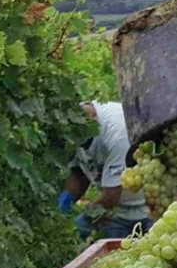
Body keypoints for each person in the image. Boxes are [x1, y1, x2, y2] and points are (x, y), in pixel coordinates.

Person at [59, 100, 153, 239]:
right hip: (119, 213)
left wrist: (81, 221)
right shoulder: (74, 127)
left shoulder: (118, 129)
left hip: (154, 207)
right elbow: (80, 173)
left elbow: (111, 195)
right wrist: (64, 203)